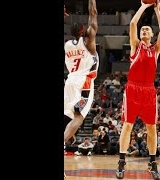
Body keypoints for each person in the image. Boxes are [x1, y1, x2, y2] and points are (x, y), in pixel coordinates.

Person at [115, 0, 160, 179]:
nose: (144, 30)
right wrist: (144, 6)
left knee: (152, 128)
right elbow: (132, 23)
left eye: (147, 30)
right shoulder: (136, 46)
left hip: (149, 91)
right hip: (133, 89)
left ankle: (152, 163)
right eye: (143, 29)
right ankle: (121, 162)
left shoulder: (155, 49)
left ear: (151, 34)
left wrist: (158, 11)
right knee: (127, 125)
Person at [64, 0, 98, 177]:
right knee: (79, 117)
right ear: (83, 31)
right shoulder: (89, 41)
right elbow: (93, 14)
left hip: (69, 82)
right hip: (84, 82)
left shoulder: (67, 45)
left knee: (69, 119)